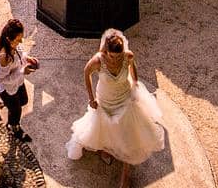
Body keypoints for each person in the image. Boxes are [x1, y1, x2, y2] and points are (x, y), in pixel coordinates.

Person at [66, 29, 166, 188]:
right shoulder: (99, 60)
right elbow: (86, 73)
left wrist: (135, 82)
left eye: (118, 55)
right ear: (106, 51)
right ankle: (104, 149)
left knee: (128, 136)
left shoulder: (127, 56)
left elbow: (133, 68)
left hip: (124, 99)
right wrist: (91, 98)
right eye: (113, 56)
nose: (116, 59)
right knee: (105, 127)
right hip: (105, 100)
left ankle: (125, 177)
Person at [0, 17, 39, 142]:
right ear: (9, 39)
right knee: (16, 110)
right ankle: (13, 127)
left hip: (17, 82)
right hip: (6, 88)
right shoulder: (4, 57)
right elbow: (2, 79)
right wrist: (22, 71)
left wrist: (28, 58)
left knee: (23, 100)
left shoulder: (14, 45)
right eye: (18, 39)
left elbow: (20, 55)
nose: (20, 42)